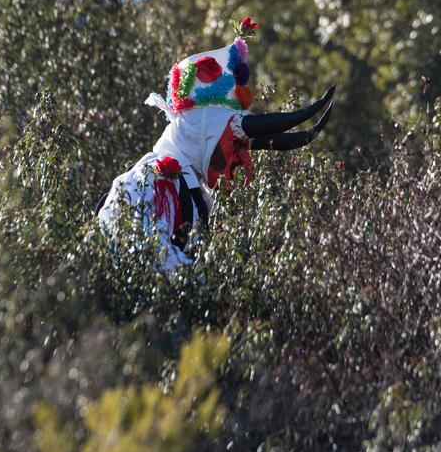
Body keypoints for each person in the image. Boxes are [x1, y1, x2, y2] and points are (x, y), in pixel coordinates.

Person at [96, 18, 335, 270]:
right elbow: (135, 254)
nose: (240, 158)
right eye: (235, 143)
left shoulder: (194, 192)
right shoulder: (152, 177)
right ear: (202, 135)